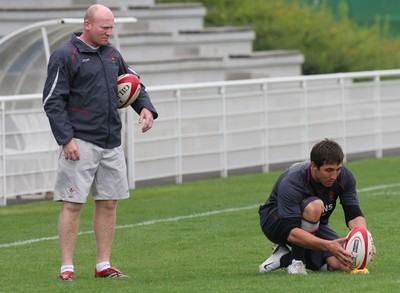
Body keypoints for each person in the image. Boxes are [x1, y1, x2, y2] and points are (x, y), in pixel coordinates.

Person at [43, 4, 158, 281]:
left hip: (111, 142)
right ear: (87, 25)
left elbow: (133, 82)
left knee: (108, 203)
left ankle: (103, 265)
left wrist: (145, 107)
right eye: (104, 27)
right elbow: (52, 100)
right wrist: (66, 138)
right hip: (79, 142)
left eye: (111, 27)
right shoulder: (65, 55)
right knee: (72, 204)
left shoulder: (112, 54)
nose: (109, 32)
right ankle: (67, 268)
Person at [258, 138, 374, 275]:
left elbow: (353, 214)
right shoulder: (293, 180)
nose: (334, 176)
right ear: (314, 166)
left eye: (338, 169)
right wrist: (326, 245)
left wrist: (364, 239)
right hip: (276, 221)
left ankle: (283, 258)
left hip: (315, 225)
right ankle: (297, 262)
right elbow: (292, 232)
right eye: (329, 170)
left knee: (346, 263)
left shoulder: (345, 177)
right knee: (315, 206)